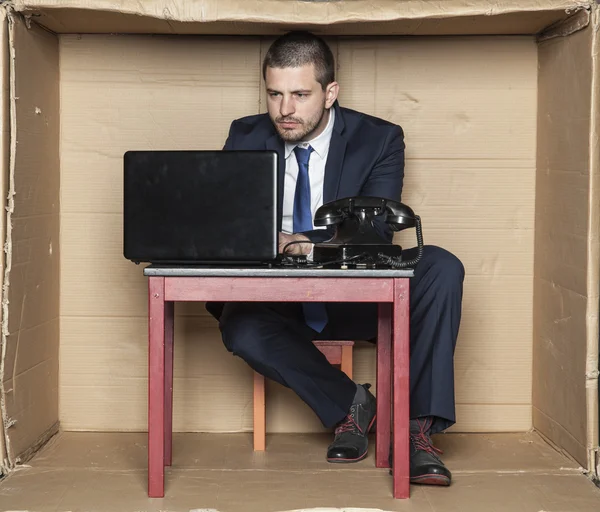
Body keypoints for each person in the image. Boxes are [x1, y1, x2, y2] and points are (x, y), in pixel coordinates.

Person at [206, 31, 464, 486]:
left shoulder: (379, 139)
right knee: (241, 325)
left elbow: (375, 230)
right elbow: (231, 224)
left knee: (440, 266)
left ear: (330, 93)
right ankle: (354, 406)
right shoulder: (244, 134)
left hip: (355, 295)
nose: (285, 109)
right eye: (275, 94)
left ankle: (415, 432)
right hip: (279, 300)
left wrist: (299, 239)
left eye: (301, 95)